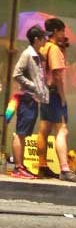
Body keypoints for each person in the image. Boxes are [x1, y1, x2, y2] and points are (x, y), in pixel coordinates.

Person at [36, 17, 76, 182]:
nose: (63, 34)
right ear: (56, 31)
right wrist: (62, 96)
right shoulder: (54, 49)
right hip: (53, 93)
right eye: (62, 31)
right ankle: (65, 169)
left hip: (45, 93)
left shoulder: (44, 47)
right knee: (62, 130)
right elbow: (58, 75)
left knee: (44, 129)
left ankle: (42, 165)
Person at [10, 24, 49, 178]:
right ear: (36, 39)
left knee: (25, 133)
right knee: (21, 133)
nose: (45, 39)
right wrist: (33, 86)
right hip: (27, 97)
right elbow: (16, 74)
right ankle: (18, 167)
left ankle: (21, 165)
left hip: (33, 98)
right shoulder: (28, 54)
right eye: (43, 37)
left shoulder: (37, 55)